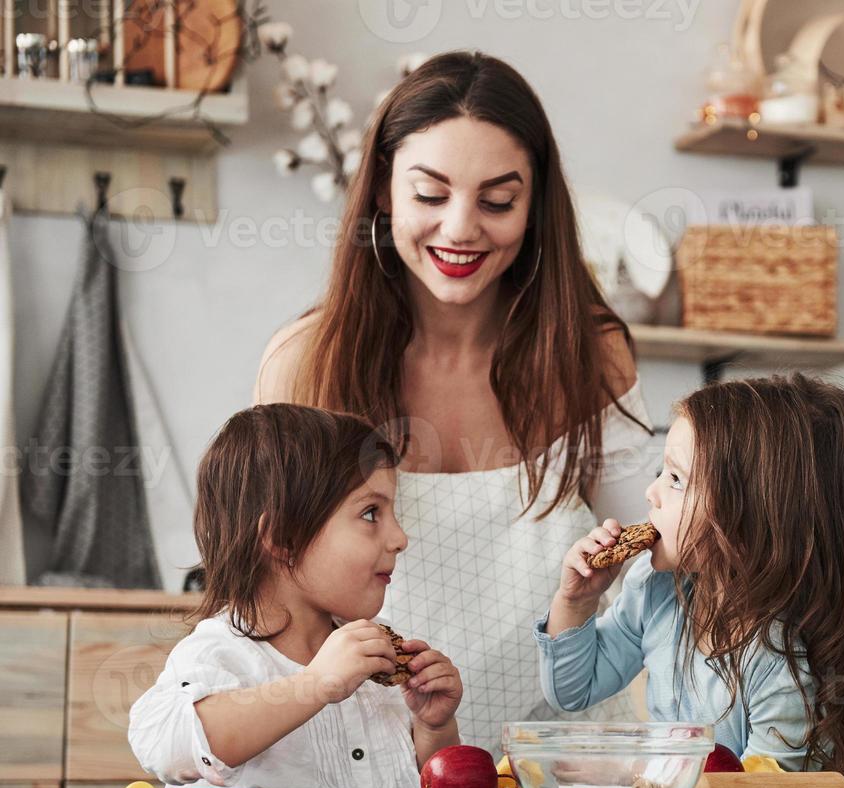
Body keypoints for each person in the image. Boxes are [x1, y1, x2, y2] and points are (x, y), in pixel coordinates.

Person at [253, 52, 651, 750]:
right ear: (382, 190)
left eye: (497, 201)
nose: (461, 229)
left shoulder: (592, 355)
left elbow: (651, 557)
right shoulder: (306, 364)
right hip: (370, 762)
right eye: (430, 196)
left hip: (565, 768)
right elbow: (266, 593)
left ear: (535, 208)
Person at [539, 375, 844, 777]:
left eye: (675, 479)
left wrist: (626, 772)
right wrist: (577, 601)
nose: (651, 492)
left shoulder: (781, 665)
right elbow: (573, 690)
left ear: (749, 516)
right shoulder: (657, 592)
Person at [129, 404, 463, 788]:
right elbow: (164, 742)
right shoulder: (222, 653)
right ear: (283, 537)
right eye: (371, 513)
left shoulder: (374, 655)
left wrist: (434, 727)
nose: (399, 537)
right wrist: (314, 685)